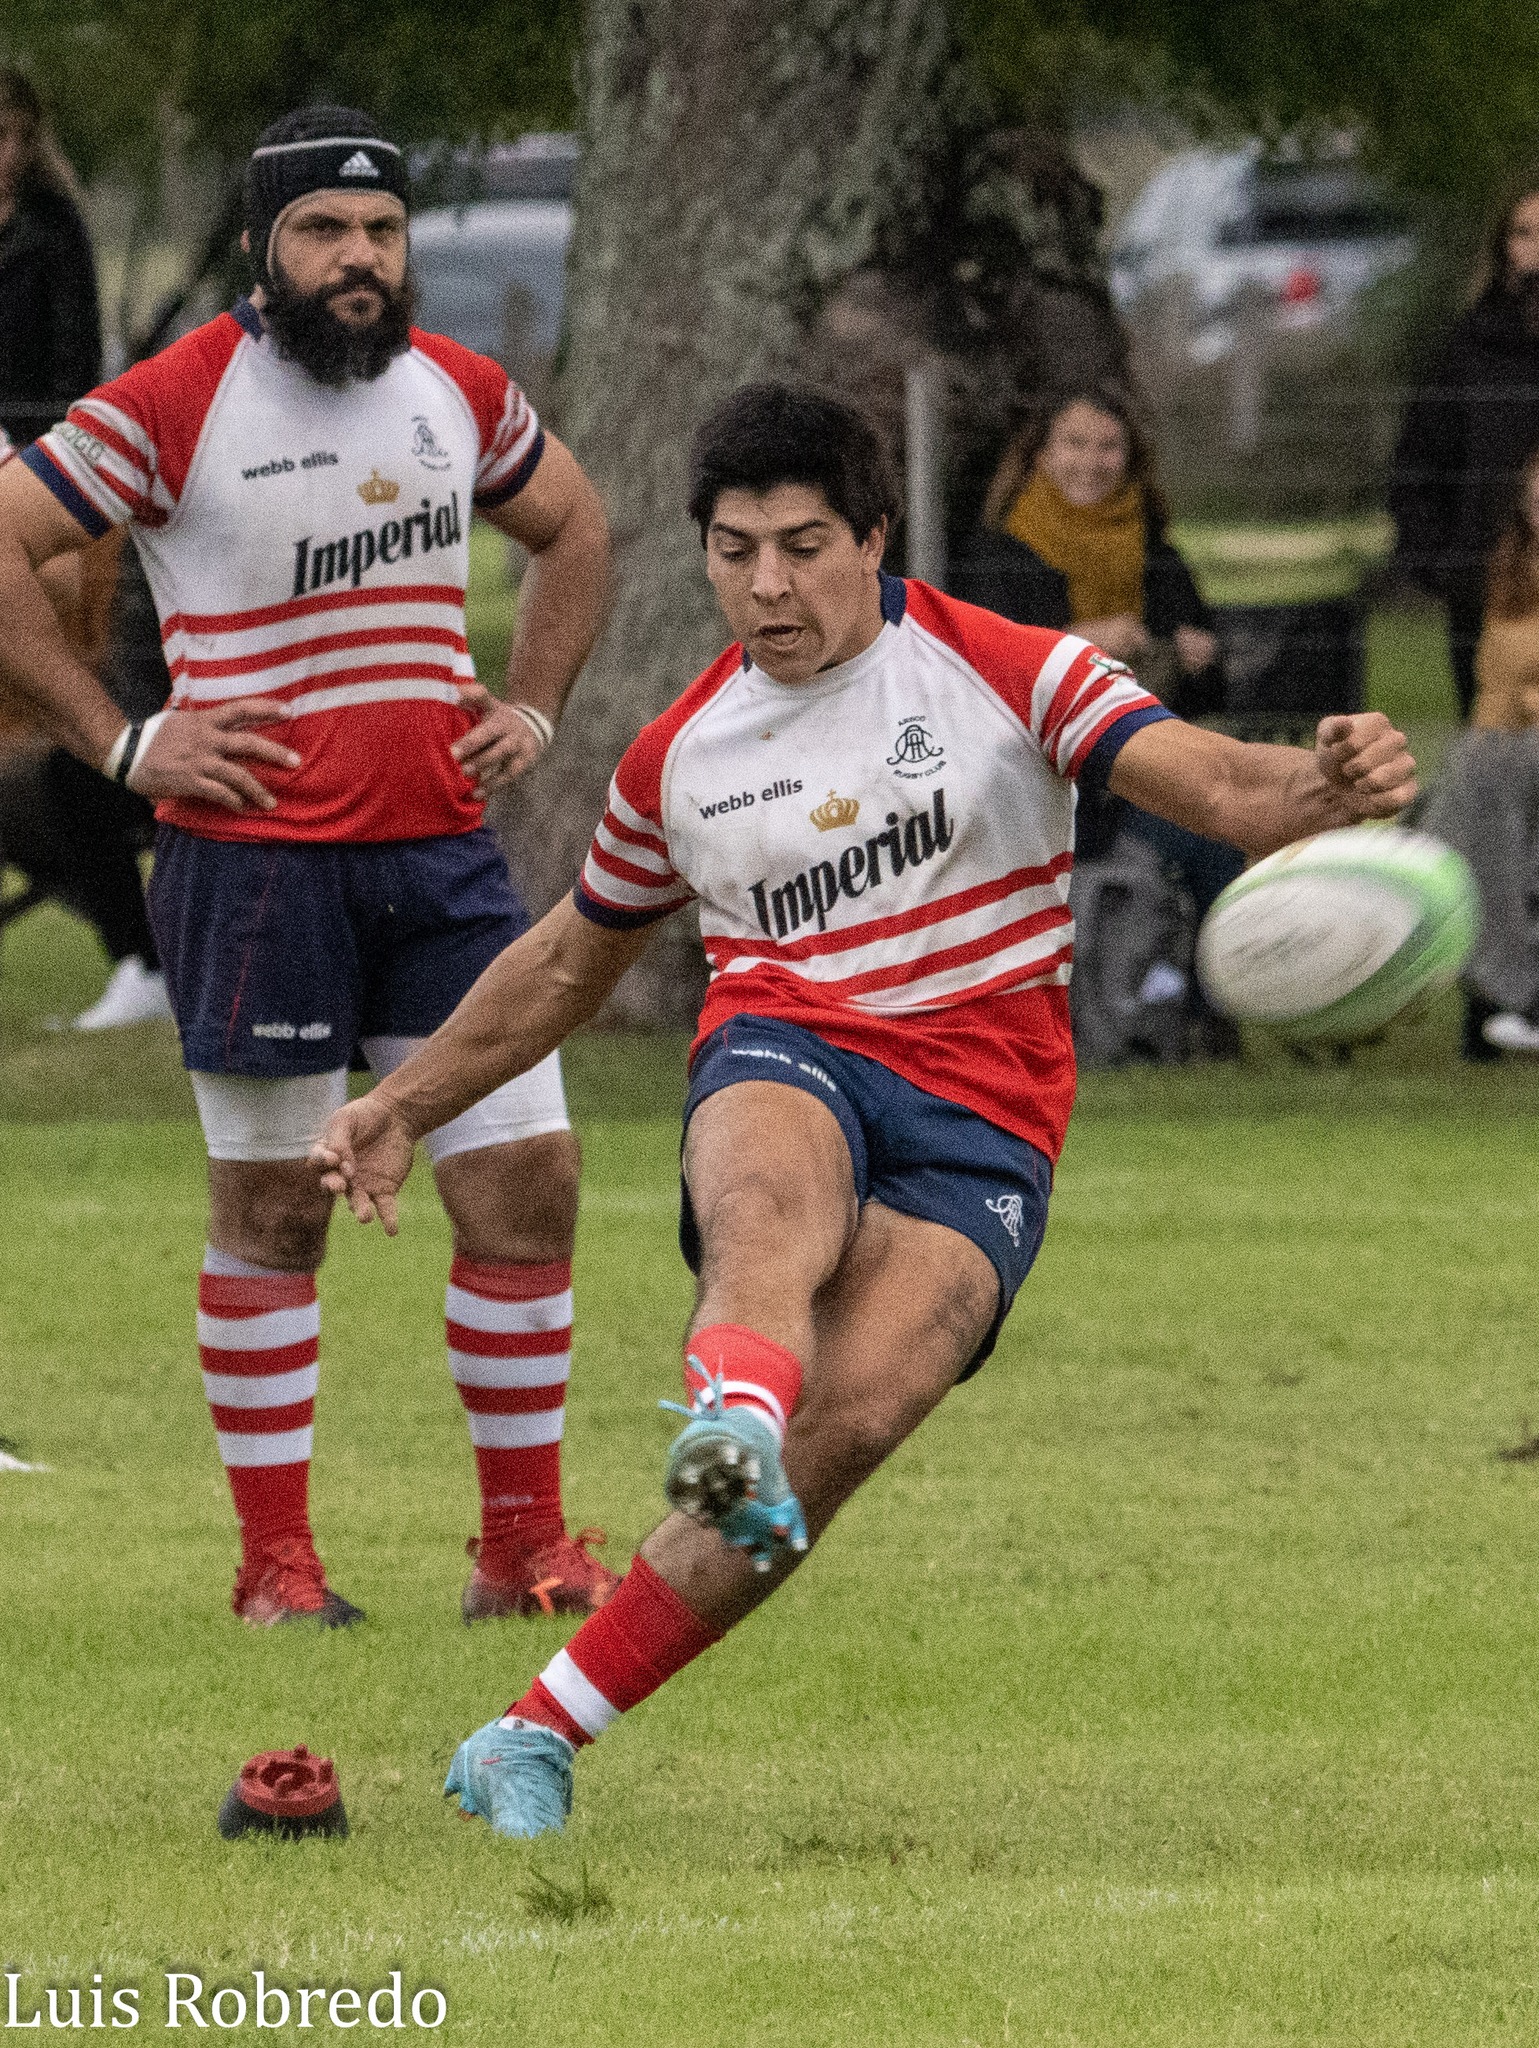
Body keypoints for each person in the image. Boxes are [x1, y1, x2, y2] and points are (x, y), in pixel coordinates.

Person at [310, 383, 1417, 1838]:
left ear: (873, 539)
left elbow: (1223, 787)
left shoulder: (1000, 667)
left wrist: (1331, 785)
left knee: (860, 1410)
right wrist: (402, 1101)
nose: (764, 585)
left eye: (801, 544)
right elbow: (570, 959)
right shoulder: (681, 757)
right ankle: (726, 1428)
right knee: (767, 1211)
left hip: (985, 1115)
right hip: (791, 1044)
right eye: (730, 549)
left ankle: (535, 1730)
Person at [0, 105, 618, 1629]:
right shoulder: (174, 399)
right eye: (326, 232)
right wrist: (125, 745)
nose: (360, 260)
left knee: (526, 1182)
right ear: (263, 248)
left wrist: (531, 701)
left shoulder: (454, 391)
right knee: (273, 1210)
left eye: (383, 233)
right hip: (252, 874)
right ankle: (277, 1570)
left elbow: (578, 527)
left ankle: (519, 1552)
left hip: (442, 866)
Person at [949, 386, 1242, 1044]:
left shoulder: (1157, 554)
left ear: (1129, 457)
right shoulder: (997, 556)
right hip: (1035, 792)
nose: (1091, 460)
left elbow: (1209, 695)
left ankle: (1209, 1012)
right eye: (1074, 444)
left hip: (1139, 774)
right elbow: (983, 677)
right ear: (1041, 456)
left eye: (1107, 445)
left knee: (1221, 833)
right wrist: (1079, 641)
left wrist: (1199, 658)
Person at [0, 68, 169, 1029]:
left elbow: (68, 364)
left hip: (31, 458)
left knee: (71, 762)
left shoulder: (51, 236)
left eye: (15, 134)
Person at [1390, 176, 1539, 722]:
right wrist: (1443, 565)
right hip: (1490, 588)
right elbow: (1417, 467)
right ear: (1503, 247)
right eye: (1524, 233)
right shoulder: (1469, 349)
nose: (1536, 250)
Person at [1423, 443, 1539, 1055]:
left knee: (1473, 788)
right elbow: (1495, 684)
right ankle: (1518, 992)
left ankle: (1512, 989)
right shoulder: (1511, 571)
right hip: (1509, 746)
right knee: (1478, 781)